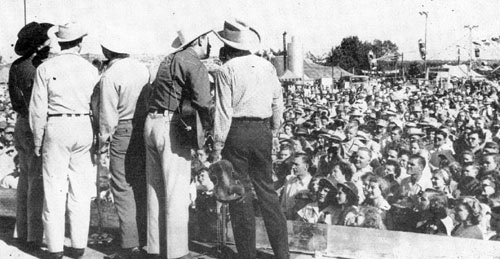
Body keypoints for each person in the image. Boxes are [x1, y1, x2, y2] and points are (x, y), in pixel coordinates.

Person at [212, 19, 289, 259]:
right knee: (267, 192)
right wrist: (274, 129)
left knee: (240, 193)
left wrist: (217, 144)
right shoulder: (267, 66)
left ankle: (246, 254)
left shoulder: (226, 70)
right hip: (262, 131)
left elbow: (223, 111)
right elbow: (278, 101)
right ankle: (282, 253)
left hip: (236, 132)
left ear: (228, 46)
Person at [29, 22, 99, 259]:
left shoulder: (46, 68)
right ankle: (79, 245)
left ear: (60, 41)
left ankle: (55, 247)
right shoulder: (91, 70)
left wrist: (38, 140)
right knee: (80, 188)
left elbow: (37, 110)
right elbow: (97, 106)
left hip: (56, 124)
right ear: (79, 43)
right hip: (84, 125)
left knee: (54, 188)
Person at [144, 24, 213, 258]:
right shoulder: (193, 62)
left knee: (154, 189)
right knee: (176, 190)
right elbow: (204, 101)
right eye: (207, 39)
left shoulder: (166, 59)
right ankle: (176, 252)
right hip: (173, 125)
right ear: (200, 40)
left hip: (151, 122)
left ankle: (154, 248)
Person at [95, 31, 150, 258]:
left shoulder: (110, 75)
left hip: (123, 129)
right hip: (143, 127)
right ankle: (146, 237)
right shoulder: (143, 68)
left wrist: (103, 141)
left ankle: (129, 244)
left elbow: (108, 116)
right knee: (141, 183)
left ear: (108, 51)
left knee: (122, 185)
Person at [8, 21, 52, 252]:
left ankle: (22, 229)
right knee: (37, 180)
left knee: (25, 177)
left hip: (20, 123)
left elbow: (16, 101)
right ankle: (34, 235)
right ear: (39, 45)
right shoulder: (38, 68)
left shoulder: (16, 66)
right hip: (35, 124)